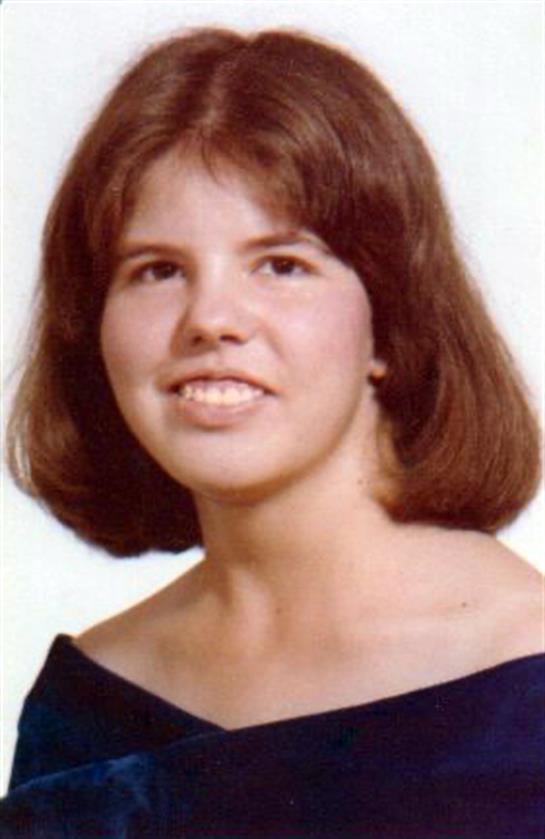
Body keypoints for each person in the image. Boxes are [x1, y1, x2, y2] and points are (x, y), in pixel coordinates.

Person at [1, 25, 543, 838]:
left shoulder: (523, 685)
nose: (211, 319)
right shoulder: (85, 708)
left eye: (282, 264)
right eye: (156, 269)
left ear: (390, 322)